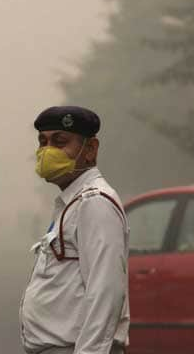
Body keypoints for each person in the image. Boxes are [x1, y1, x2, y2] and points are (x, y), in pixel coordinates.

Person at [20, 106, 130, 354]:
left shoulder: (95, 202)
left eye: (60, 142)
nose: (48, 151)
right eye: (43, 142)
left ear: (90, 150)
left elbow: (106, 292)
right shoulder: (72, 202)